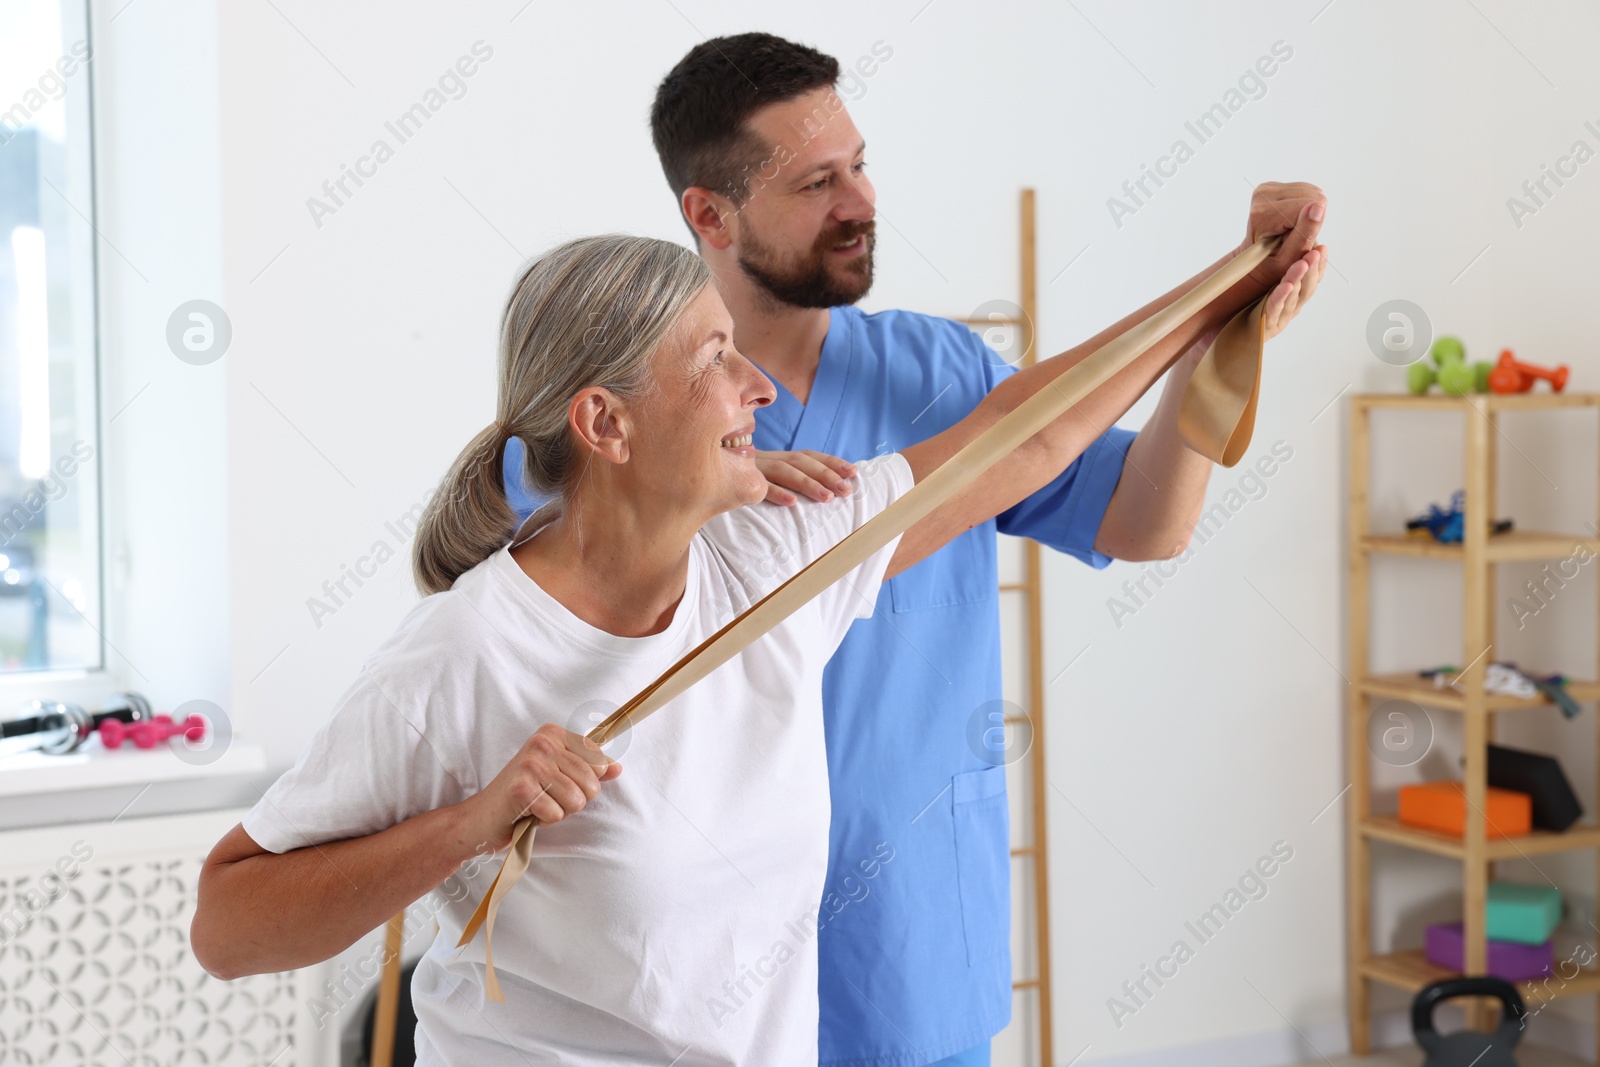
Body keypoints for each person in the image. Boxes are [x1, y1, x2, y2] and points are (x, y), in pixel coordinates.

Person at [192, 227, 1315, 1063]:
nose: (759, 387)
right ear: (605, 422)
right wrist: (470, 822)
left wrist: (1235, 279)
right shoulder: (460, 658)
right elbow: (228, 926)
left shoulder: (774, 564)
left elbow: (1020, 439)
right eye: (714, 360)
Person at [503, 33, 1329, 1067]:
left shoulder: (936, 369)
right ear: (709, 215)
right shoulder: (617, 421)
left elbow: (1145, 518)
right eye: (816, 182)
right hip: (691, 969)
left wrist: (1216, 351)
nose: (859, 201)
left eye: (859, 163)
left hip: (910, 946)